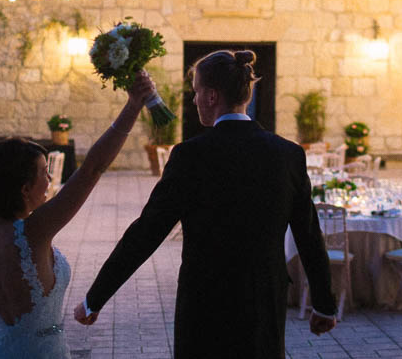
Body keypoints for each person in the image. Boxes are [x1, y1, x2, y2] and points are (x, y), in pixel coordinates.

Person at [75, 49, 337, 358]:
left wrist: (95, 298)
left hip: (204, 305)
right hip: (263, 303)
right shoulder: (288, 154)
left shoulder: (190, 156)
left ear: (212, 96)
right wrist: (323, 303)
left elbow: (147, 232)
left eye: (197, 92)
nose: (195, 100)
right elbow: (308, 235)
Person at [0, 68, 154, 358]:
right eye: (44, 173)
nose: (50, 180)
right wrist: (133, 106)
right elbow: (93, 168)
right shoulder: (34, 231)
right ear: (25, 188)